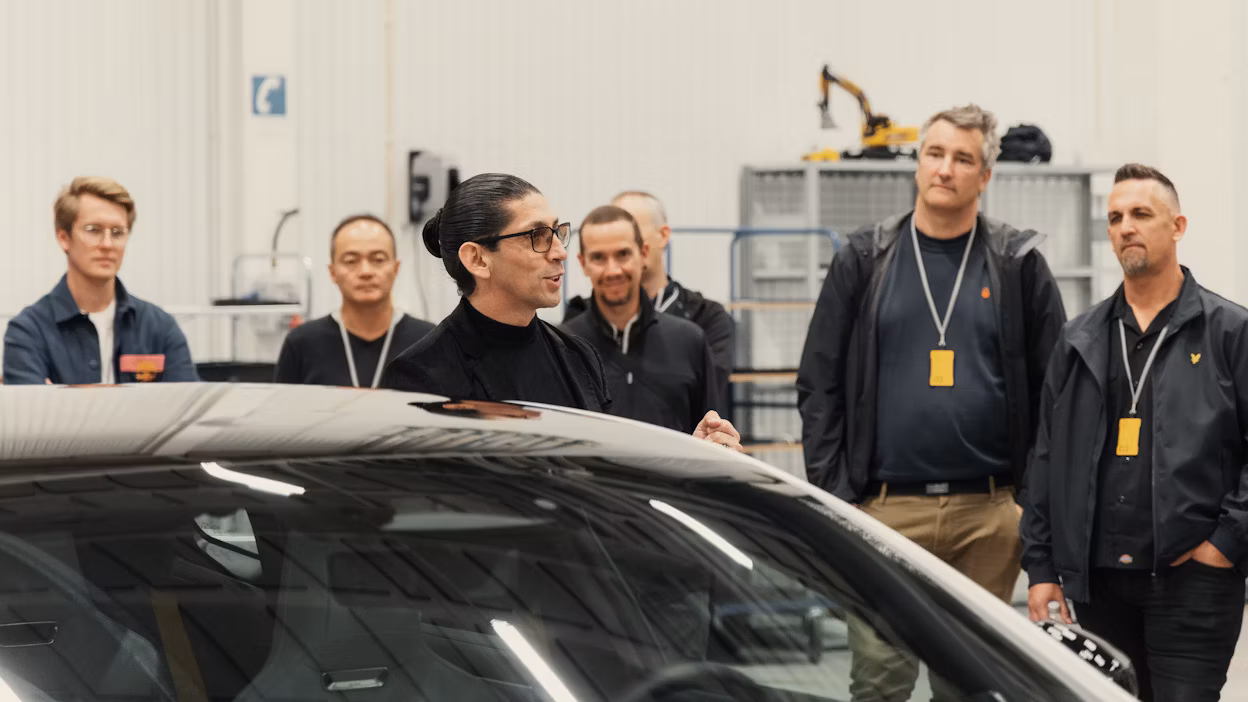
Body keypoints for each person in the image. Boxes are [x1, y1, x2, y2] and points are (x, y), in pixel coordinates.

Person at [795, 104, 1066, 701]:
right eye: (934, 154)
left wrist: (1028, 506)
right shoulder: (864, 259)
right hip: (885, 512)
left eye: (963, 158)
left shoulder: (1019, 264)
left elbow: (1057, 398)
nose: (945, 169)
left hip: (989, 514)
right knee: (879, 680)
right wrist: (841, 500)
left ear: (985, 175)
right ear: (917, 165)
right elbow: (819, 385)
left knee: (969, 683)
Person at [1022, 164, 1248, 702]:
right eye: (1116, 217)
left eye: (1142, 214)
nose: (1126, 227)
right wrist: (1041, 567)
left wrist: (1225, 543)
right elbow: (1047, 459)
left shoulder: (1229, 333)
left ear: (1177, 226)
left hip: (1193, 581)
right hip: (1098, 586)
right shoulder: (1080, 338)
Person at [380, 173, 741, 451]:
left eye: (556, 232)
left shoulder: (577, 356)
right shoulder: (422, 377)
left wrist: (690, 452)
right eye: (537, 236)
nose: (559, 251)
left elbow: (601, 472)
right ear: (477, 258)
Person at [3, 176, 198, 385]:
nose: (107, 244)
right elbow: (32, 416)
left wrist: (61, 401)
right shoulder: (28, 332)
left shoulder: (159, 327)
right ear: (64, 238)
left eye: (117, 232)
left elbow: (188, 413)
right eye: (93, 230)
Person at [565, 191, 735, 404]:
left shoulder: (705, 318)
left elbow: (706, 401)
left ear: (658, 239)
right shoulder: (577, 321)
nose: (613, 268)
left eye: (630, 227)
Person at [274, 214, 434, 387]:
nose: (365, 271)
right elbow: (284, 412)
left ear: (396, 268)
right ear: (332, 271)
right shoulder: (301, 343)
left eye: (378, 259)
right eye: (351, 261)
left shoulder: (430, 342)